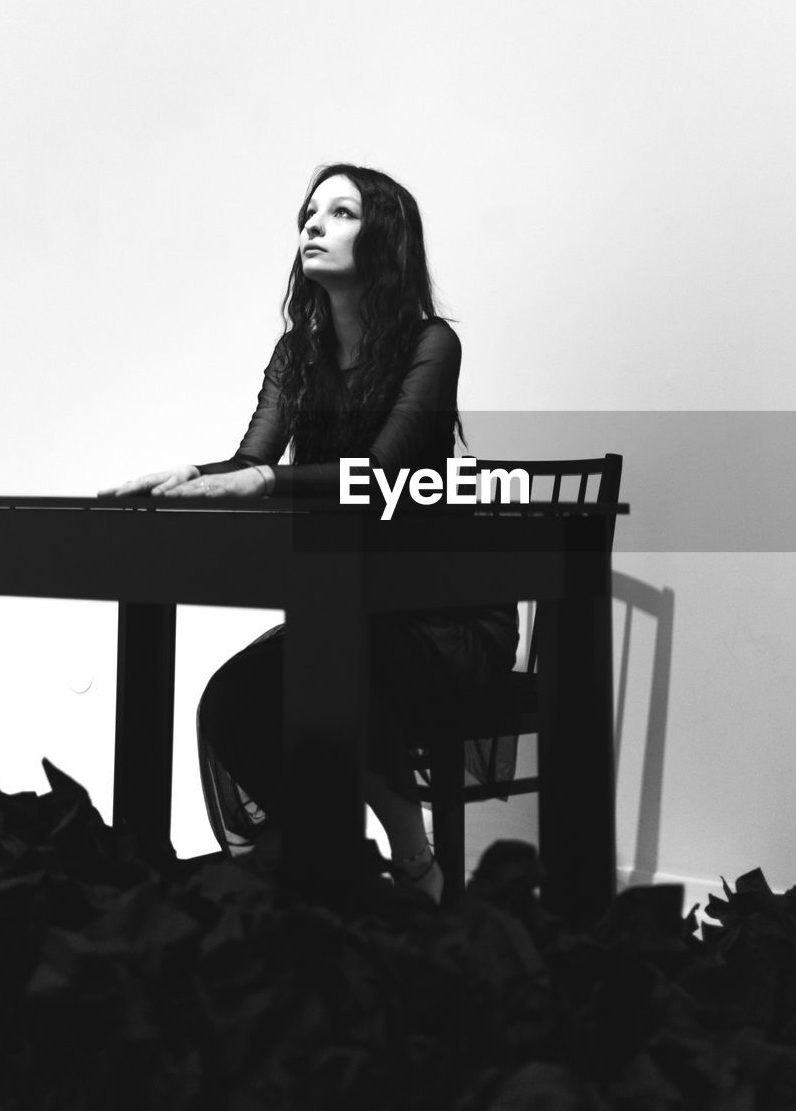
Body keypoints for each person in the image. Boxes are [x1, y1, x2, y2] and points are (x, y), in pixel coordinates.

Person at [102, 163, 519, 903]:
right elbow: (248, 461)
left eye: (341, 212)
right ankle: (322, 870)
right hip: (355, 610)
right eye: (308, 213)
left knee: (331, 663)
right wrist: (183, 474)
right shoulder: (298, 353)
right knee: (231, 700)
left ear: (384, 237)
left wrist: (260, 482)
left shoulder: (431, 345)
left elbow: (382, 470)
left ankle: (411, 858)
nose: (313, 226)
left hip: (445, 620)